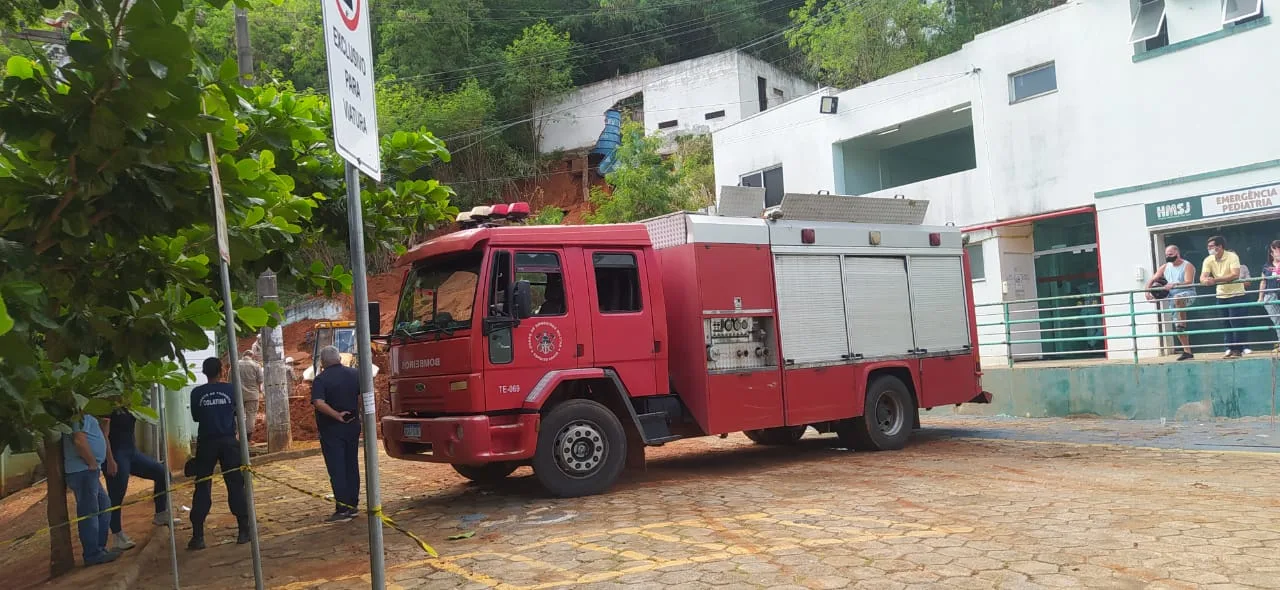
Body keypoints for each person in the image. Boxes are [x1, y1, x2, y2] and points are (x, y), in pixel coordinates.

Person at [188, 357, 251, 550]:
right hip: (228, 442)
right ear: (222, 371)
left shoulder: (197, 392)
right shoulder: (231, 390)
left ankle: (198, 536)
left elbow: (196, 417)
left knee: (202, 485)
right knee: (235, 484)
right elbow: (237, 411)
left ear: (204, 372)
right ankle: (243, 531)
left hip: (206, 443)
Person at [103, 406, 179, 553]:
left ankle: (161, 514)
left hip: (132, 452)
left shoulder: (129, 405)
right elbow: (103, 434)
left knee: (162, 473)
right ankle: (117, 535)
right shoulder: (106, 406)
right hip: (117, 454)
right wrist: (110, 459)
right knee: (117, 493)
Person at [311, 345, 362, 523]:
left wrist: (336, 415)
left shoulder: (321, 379)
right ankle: (353, 505)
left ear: (322, 362)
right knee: (351, 465)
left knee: (337, 468)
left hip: (331, 429)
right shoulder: (355, 374)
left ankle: (342, 508)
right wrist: (359, 414)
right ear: (339, 358)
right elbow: (366, 394)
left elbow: (318, 402)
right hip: (353, 426)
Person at [63, 413, 120, 566]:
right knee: (90, 511)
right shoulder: (77, 416)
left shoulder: (87, 417)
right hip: (83, 471)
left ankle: (99, 549)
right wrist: (92, 463)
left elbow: (98, 436)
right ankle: (92, 553)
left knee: (104, 506)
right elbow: (79, 441)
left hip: (88, 470)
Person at [1201, 235, 1250, 358]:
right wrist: (1205, 281)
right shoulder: (1208, 259)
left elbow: (1235, 275)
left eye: (1211, 246)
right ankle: (1229, 348)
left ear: (1220, 247)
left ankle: (1238, 349)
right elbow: (1202, 276)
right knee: (1225, 322)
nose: (1209, 248)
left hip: (1236, 294)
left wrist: (1215, 280)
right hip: (1221, 294)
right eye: (1208, 247)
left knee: (1236, 322)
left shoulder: (1232, 256)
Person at [1146, 245, 1196, 361]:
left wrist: (1175, 284)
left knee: (1178, 298)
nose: (1168, 257)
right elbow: (1153, 279)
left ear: (1177, 253)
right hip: (1172, 297)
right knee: (1177, 327)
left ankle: (1182, 323)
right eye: (1166, 255)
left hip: (1187, 293)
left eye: (1170, 254)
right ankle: (1187, 351)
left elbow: (1188, 282)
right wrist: (1148, 292)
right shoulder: (1165, 266)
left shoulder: (1187, 265)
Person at [1260, 240, 1280, 352]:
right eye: (1275, 250)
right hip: (1270, 295)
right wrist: (1260, 297)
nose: (1278, 252)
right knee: (1277, 321)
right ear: (1271, 253)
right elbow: (1263, 281)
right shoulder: (1266, 266)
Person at [237, 349, 264, 427]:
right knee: (251, 416)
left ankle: (239, 436)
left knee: (238, 415)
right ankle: (248, 437)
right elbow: (260, 380)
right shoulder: (256, 365)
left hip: (238, 395)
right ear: (252, 356)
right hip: (252, 395)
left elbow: (230, 380)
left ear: (243, 356)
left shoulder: (235, 364)